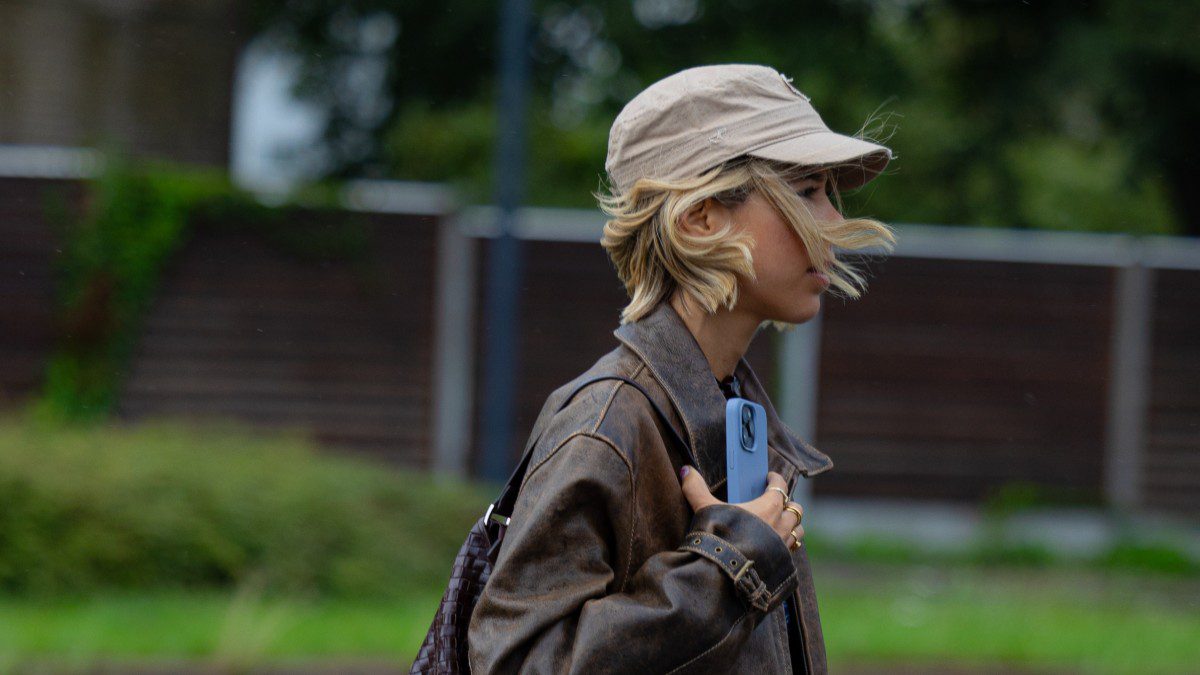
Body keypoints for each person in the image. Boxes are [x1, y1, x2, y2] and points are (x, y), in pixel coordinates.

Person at [467, 64, 895, 674]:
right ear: (700, 218)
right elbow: (518, 663)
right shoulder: (607, 425)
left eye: (830, 192)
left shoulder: (731, 411)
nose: (832, 222)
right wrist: (725, 566)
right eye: (806, 193)